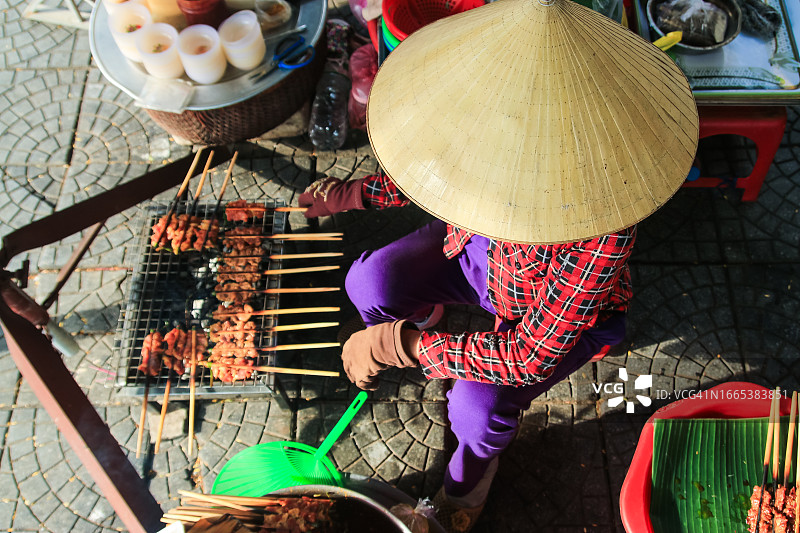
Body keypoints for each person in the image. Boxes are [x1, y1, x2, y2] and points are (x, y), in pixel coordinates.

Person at [298, 0, 698, 529]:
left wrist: (401, 345)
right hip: (474, 255)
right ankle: (426, 321)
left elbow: (528, 355)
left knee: (476, 407)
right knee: (369, 280)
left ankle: (468, 489)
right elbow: (429, 169)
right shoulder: (486, 121)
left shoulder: (605, 221)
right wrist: (350, 196)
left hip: (550, 310)